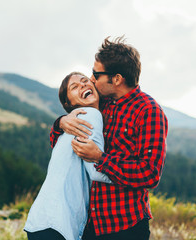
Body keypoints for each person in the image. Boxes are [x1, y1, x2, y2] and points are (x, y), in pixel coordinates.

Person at [50, 37, 168, 239]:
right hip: (87, 224)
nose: (92, 79)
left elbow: (150, 174)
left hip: (125, 227)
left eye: (96, 74)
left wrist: (100, 158)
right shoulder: (97, 102)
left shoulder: (149, 111)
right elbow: (58, 143)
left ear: (116, 79)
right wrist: (61, 122)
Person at [24, 72, 113, 240]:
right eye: (75, 87)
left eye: (85, 81)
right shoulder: (90, 115)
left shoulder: (69, 126)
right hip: (57, 224)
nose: (83, 85)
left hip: (41, 220)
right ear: (68, 103)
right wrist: (132, 179)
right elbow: (96, 170)